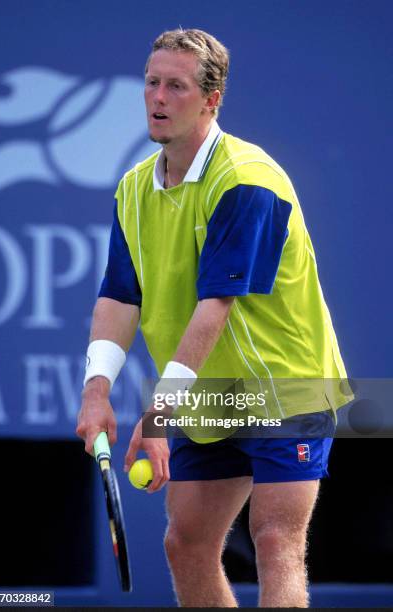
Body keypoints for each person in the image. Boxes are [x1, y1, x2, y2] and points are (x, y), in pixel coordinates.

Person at [77, 28, 349, 607]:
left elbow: (216, 305)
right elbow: (121, 298)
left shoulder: (247, 180)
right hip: (211, 391)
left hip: (287, 383)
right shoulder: (132, 190)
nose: (158, 97)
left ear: (211, 99)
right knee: (187, 544)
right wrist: (95, 391)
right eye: (152, 82)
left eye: (176, 86)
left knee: (275, 538)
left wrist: (159, 411)